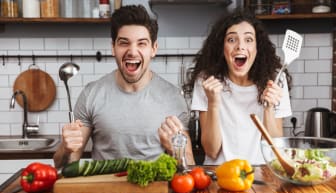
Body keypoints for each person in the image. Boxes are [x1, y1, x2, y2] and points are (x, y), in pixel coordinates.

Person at [53, 5, 195, 169]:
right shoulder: (91, 94)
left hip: (154, 191)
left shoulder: (173, 98)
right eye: (123, 43)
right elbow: (64, 165)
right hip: (105, 191)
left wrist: (175, 150)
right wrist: (65, 147)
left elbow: (190, 164)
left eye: (141, 44)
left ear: (153, 49)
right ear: (113, 48)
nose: (132, 52)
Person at [186, 8, 292, 165]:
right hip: (220, 174)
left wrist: (268, 108)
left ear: (257, 48)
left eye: (248, 40)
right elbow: (211, 150)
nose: (240, 46)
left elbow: (274, 150)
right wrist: (213, 103)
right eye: (231, 40)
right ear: (222, 48)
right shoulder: (207, 81)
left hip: (261, 174)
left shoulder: (275, 80)